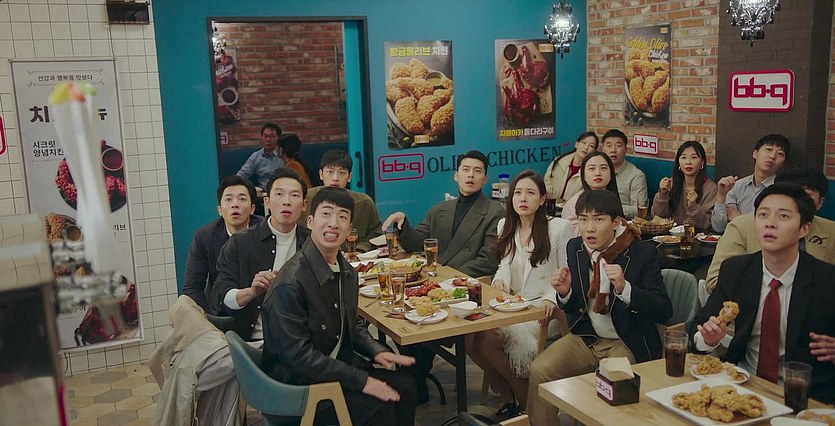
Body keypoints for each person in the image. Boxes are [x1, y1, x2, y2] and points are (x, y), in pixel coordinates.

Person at [261, 187, 417, 425]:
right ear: (310, 222)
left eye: (342, 217)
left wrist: (376, 350)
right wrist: (361, 381)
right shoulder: (290, 283)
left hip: (331, 370)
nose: (334, 223)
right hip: (297, 387)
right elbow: (299, 356)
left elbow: (352, 322)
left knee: (405, 387)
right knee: (378, 409)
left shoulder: (346, 271)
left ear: (349, 228)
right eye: (326, 214)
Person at [527, 190, 672, 426]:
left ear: (615, 223)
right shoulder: (576, 247)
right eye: (583, 220)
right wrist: (565, 292)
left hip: (628, 339)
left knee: (607, 387)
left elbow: (664, 310)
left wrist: (625, 289)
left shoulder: (641, 252)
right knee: (541, 369)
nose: (589, 228)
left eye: (598, 219)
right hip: (588, 336)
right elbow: (574, 307)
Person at [689, 183, 835, 404]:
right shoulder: (736, 270)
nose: (770, 223)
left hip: (806, 397)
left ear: (804, 228)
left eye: (783, 216)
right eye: (763, 215)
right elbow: (697, 329)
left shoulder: (827, 280)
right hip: (742, 386)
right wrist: (707, 340)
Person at [381, 150, 504, 403]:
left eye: (477, 171)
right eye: (466, 170)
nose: (470, 175)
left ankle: (413, 384)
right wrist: (403, 224)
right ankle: (412, 381)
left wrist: (446, 281)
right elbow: (418, 243)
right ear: (456, 175)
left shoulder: (495, 212)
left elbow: (488, 260)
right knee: (400, 317)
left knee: (419, 323)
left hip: (463, 293)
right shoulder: (441, 210)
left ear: (485, 179)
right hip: (435, 288)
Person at [466, 170, 573, 418]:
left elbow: (566, 272)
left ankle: (522, 395)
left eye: (530, 193)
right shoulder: (506, 225)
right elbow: (504, 264)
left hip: (544, 309)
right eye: (518, 193)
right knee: (469, 337)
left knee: (488, 338)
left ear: (542, 199)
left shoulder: (559, 228)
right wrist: (500, 281)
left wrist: (550, 297)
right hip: (512, 304)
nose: (523, 198)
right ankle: (509, 398)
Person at [212, 168, 310, 341]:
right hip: (257, 341)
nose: (286, 202)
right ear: (267, 202)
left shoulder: (312, 243)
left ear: (304, 205)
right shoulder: (240, 242)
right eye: (279, 194)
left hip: (303, 339)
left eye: (294, 195)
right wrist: (252, 291)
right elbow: (222, 296)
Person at [705, 165, 835, 293]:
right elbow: (715, 281)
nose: (796, 203)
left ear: (820, 203)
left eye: (805, 197)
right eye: (789, 196)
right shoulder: (742, 226)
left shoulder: (831, 231)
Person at [183, 176, 261, 314]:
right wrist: (211, 317)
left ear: (252, 208)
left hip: (259, 308)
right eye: (228, 199)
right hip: (220, 309)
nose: (235, 205)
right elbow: (192, 287)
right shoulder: (204, 236)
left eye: (242, 199)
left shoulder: (265, 230)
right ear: (220, 209)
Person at [300, 149, 383, 252]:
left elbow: (376, 234)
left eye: (342, 173)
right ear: (321, 174)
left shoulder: (364, 202)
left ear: (350, 177)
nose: (335, 178)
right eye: (330, 172)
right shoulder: (305, 199)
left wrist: (359, 250)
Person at [711, 134, 790, 233]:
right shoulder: (738, 186)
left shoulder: (782, 192)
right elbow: (719, 227)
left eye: (780, 154)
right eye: (768, 149)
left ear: (784, 162)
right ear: (755, 154)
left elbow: (770, 231)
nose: (772, 156)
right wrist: (721, 195)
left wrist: (738, 218)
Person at [651, 141, 718, 230]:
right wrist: (663, 194)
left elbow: (708, 224)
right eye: (683, 157)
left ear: (702, 162)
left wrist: (693, 206)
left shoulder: (711, 189)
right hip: (670, 234)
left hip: (697, 235)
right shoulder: (672, 183)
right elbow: (657, 216)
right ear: (678, 162)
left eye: (694, 157)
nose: (688, 162)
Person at [561, 151, 621, 235]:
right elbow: (571, 235)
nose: (598, 173)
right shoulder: (574, 203)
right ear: (583, 175)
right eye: (592, 168)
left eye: (603, 168)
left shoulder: (612, 199)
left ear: (611, 174)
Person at [601, 129, 647, 218]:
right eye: (609, 146)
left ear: (625, 150)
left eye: (618, 146)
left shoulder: (636, 175)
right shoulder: (596, 171)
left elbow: (639, 210)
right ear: (602, 149)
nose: (613, 150)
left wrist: (609, 208)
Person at [543, 131, 599, 203]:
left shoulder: (591, 171)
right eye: (584, 143)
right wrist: (552, 197)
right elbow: (547, 180)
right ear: (576, 144)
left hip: (573, 207)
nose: (586, 147)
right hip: (552, 204)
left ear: (594, 151)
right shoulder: (559, 161)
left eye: (591, 146)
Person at [236, 123, 285, 189]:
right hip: (263, 191)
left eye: (272, 136)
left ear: (278, 138)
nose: (268, 140)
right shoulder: (256, 156)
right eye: (265, 136)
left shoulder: (283, 155)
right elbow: (242, 174)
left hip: (281, 190)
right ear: (261, 137)